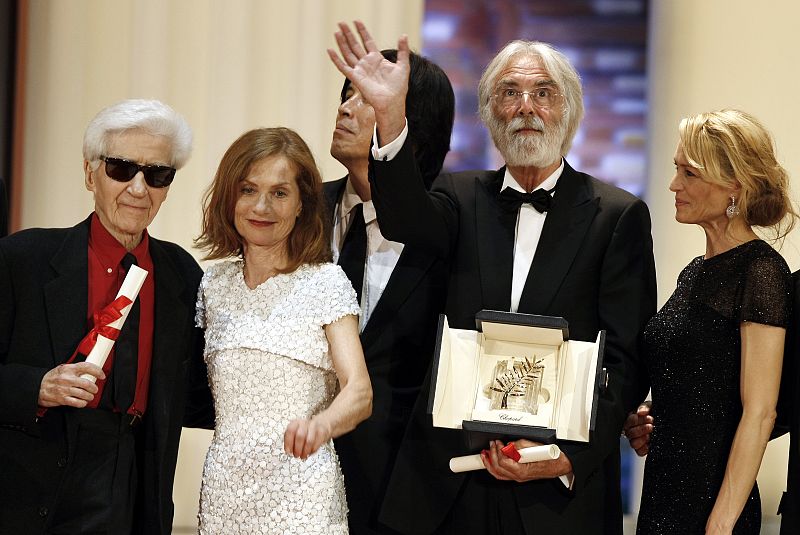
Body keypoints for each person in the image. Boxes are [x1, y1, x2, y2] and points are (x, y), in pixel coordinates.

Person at [329, 21, 657, 535]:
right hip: (450, 487)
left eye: (542, 93)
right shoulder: (458, 197)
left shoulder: (617, 216)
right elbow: (402, 217)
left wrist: (567, 454)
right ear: (489, 114)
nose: (526, 106)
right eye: (509, 93)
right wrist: (391, 116)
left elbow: (626, 355)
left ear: (567, 111)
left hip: (558, 497)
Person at [0, 98, 213, 534]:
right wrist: (36, 386)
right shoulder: (22, 260)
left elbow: (195, 392)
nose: (139, 188)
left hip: (138, 476)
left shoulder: (182, 275)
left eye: (157, 174)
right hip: (35, 478)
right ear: (88, 173)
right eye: (121, 168)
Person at [194, 127, 372, 534]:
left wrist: (320, 426)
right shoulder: (213, 286)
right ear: (229, 197)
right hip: (225, 495)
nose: (261, 206)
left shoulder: (326, 283)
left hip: (303, 491)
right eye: (248, 189)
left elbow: (359, 392)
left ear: (301, 204)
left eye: (279, 193)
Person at [624, 109, 794, 534]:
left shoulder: (761, 271)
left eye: (690, 173)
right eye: (676, 169)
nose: (674, 184)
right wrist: (646, 414)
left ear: (734, 184)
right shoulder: (694, 272)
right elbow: (695, 380)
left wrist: (719, 524)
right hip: (662, 496)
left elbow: (760, 412)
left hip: (715, 508)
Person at [326, 48, 454, 535]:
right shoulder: (301, 211)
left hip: (405, 495)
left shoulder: (451, 222)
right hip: (298, 472)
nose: (344, 108)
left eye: (366, 98)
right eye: (346, 94)